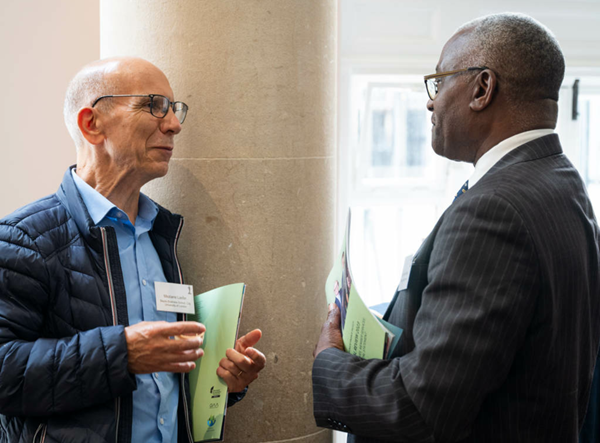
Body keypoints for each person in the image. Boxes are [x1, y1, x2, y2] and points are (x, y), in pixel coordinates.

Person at [312, 13, 600, 443]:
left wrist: (329, 362)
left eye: (439, 82)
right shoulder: (561, 180)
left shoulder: (493, 211)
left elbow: (418, 409)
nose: (431, 103)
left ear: (482, 89)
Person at [0, 57, 265, 443]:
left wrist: (221, 380)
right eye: (154, 105)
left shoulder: (162, 233)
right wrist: (120, 354)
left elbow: (162, 382)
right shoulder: (22, 238)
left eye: (173, 109)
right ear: (92, 124)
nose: (173, 124)